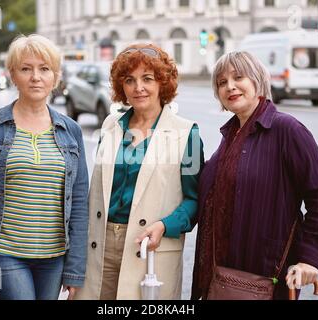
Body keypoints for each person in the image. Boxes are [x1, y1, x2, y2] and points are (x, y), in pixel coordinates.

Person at [0, 34, 89, 300]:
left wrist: (75, 268)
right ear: (13, 75)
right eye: (26, 69)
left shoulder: (71, 132)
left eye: (44, 69)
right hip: (0, 252)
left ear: (55, 76)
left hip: (53, 257)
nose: (35, 77)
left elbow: (80, 202)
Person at [191, 51, 318, 300]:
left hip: (261, 278)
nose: (230, 86)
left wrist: (308, 259)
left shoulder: (286, 130)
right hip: (218, 276)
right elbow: (207, 186)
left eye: (239, 77)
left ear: (257, 80)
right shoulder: (231, 135)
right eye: (222, 82)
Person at [74, 44, 204, 300]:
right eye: (129, 80)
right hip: (99, 246)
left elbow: (195, 200)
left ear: (162, 83)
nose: (138, 87)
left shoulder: (186, 133)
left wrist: (165, 225)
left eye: (147, 78)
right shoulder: (111, 126)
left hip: (148, 247)